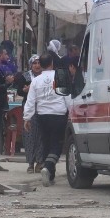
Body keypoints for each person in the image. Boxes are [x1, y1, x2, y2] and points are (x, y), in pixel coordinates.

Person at [23, 53, 71, 186]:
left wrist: (27, 118)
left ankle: (50, 176)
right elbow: (67, 97)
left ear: (42, 65)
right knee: (57, 145)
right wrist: (72, 112)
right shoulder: (60, 76)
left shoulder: (36, 81)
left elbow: (30, 101)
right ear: (52, 63)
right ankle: (48, 167)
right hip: (58, 115)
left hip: (42, 116)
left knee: (46, 144)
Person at [20, 54, 45, 173]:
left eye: (39, 63)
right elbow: (19, 90)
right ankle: (30, 163)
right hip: (29, 108)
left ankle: (40, 162)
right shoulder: (25, 76)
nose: (37, 65)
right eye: (34, 63)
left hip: (42, 108)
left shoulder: (45, 77)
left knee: (41, 135)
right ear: (31, 65)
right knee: (29, 135)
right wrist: (25, 90)